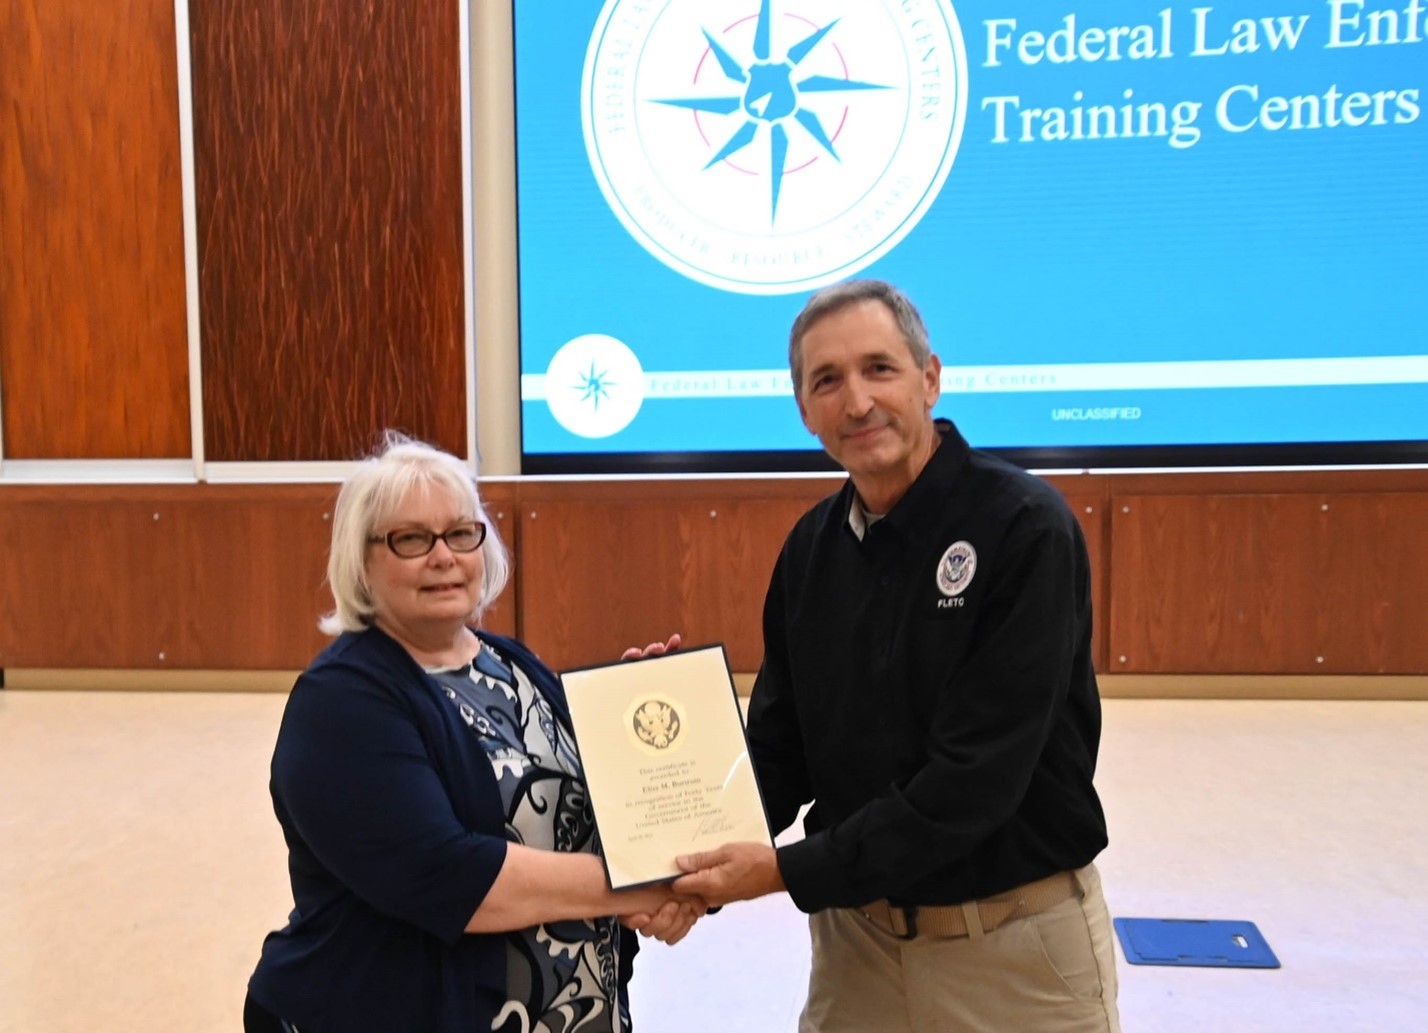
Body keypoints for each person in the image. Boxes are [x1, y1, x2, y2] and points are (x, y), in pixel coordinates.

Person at [673, 280, 1121, 1032]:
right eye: (827, 381)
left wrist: (779, 872)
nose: (857, 402)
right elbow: (780, 752)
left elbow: (973, 784)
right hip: (858, 952)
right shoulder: (811, 549)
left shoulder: (1024, 530)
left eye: (879, 368)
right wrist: (682, 860)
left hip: (1011, 951)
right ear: (804, 411)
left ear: (930, 377)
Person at [245, 433, 702, 1033]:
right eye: (411, 538)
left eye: (462, 532)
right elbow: (454, 880)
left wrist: (636, 735)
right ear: (360, 560)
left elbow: (588, 821)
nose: (444, 556)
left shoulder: (511, 663)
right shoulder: (341, 703)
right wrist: (643, 887)